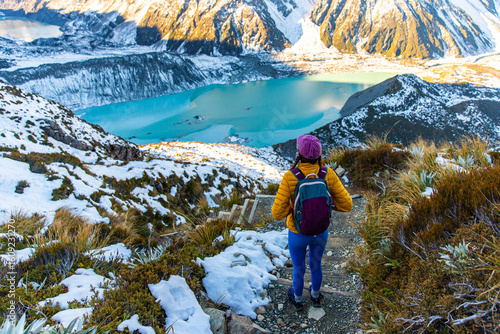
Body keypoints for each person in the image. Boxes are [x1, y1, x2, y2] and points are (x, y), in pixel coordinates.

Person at [271, 135, 352, 310]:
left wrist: (293, 209)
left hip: (298, 233)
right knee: (316, 265)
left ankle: (298, 300)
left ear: (299, 153)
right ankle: (315, 296)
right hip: (320, 232)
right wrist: (327, 205)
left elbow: (277, 214)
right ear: (319, 154)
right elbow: (347, 204)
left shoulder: (290, 177)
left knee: (298, 268)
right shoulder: (327, 174)